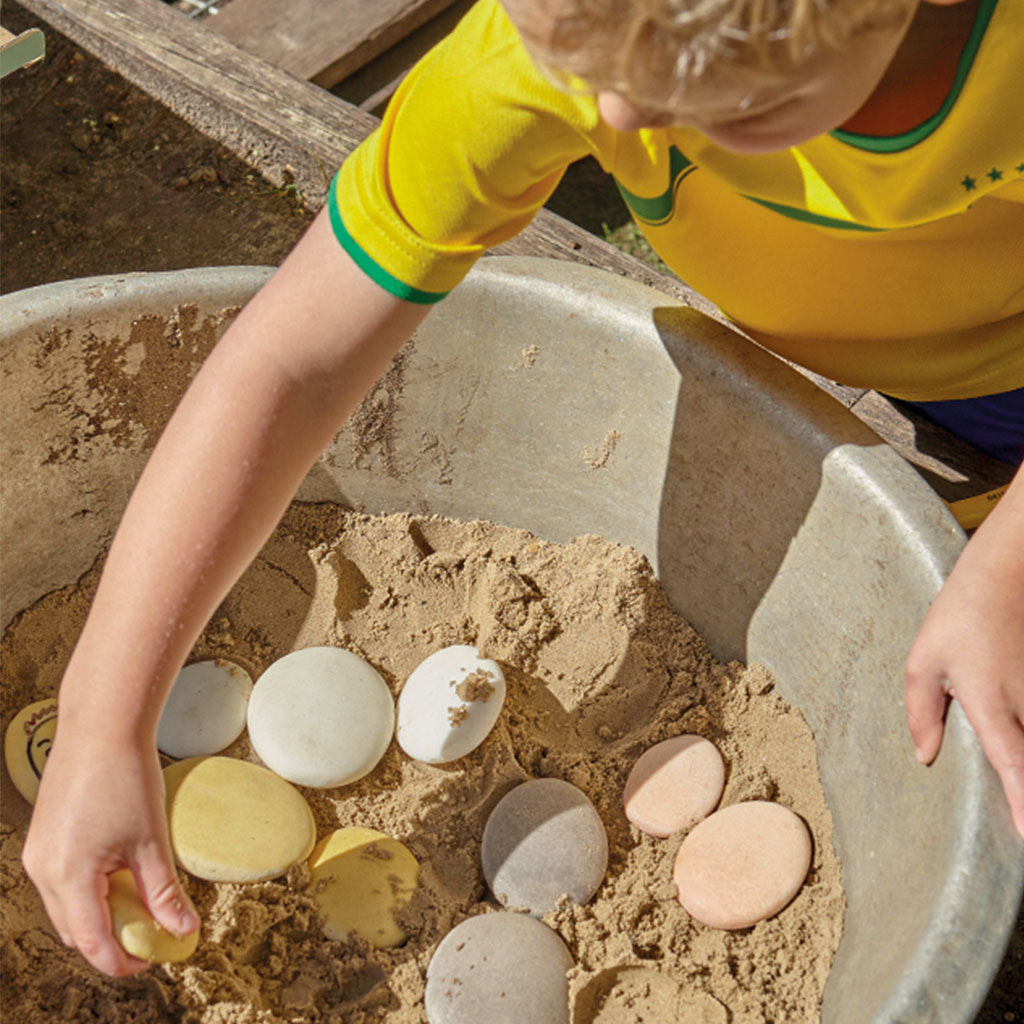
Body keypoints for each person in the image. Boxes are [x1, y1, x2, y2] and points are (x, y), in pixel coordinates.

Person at [21, 0, 1023, 977]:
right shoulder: (566, 52)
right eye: (589, 59)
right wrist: (104, 715)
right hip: (901, 339)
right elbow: (292, 361)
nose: (620, 121)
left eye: (738, 104)